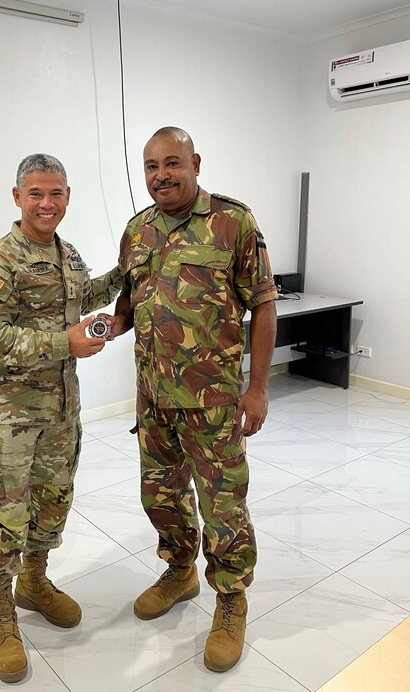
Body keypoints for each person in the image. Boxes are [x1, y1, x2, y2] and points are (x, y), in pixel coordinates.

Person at [112, 127, 277, 673]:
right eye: (152, 166)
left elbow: (264, 306)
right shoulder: (137, 230)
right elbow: (129, 305)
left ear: (195, 163)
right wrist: (101, 327)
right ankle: (180, 570)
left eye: (172, 163)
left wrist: (257, 387)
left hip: (214, 403)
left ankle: (231, 599)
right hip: (153, 400)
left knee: (224, 505)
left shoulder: (234, 222)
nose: (162, 175)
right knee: (160, 497)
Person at [0, 153, 122, 683]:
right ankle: (1, 611)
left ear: (68, 196)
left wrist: (126, 273)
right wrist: (65, 341)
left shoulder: (67, 254)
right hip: (8, 421)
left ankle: (34, 582)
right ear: (17, 197)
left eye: (55, 194)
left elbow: (84, 294)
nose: (46, 203)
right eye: (36, 194)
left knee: (52, 506)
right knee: (3, 517)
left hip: (59, 415)